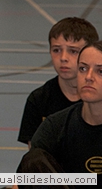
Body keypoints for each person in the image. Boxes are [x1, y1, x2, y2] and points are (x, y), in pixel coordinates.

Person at [13, 41, 102, 188]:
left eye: (100, 71)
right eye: (83, 68)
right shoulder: (55, 126)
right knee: (33, 159)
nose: (88, 77)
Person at [18, 17, 98, 147]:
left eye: (73, 51)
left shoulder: (97, 98)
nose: (63, 58)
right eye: (56, 50)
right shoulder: (39, 100)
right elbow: (36, 157)